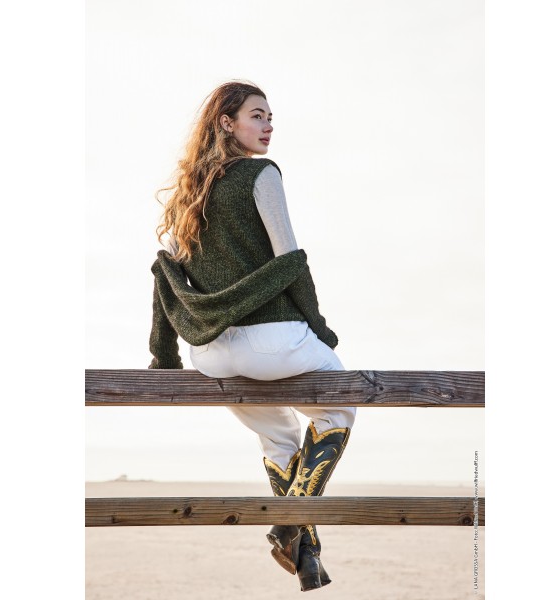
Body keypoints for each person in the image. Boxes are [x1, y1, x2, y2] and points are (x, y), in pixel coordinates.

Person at [149, 80, 356, 592]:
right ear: (227, 122)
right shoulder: (261, 174)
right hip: (274, 342)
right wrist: (320, 329)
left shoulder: (186, 196)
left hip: (212, 352)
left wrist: (164, 357)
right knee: (338, 409)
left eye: (270, 117)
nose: (268, 126)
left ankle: (307, 557)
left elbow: (164, 277)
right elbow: (291, 260)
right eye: (257, 115)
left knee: (279, 436)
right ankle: (289, 522)